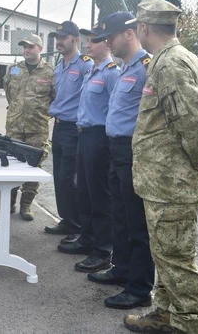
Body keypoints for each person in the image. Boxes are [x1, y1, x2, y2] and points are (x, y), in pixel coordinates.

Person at [124, 0, 198, 334]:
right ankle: (165, 314)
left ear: (143, 28)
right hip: (163, 180)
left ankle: (188, 325)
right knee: (166, 254)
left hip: (170, 181)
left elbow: (194, 117)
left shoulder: (169, 63)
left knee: (176, 258)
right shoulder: (182, 58)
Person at [86, 11, 155, 310]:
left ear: (129, 33)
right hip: (116, 150)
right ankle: (122, 270)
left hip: (132, 151)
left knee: (137, 221)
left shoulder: (146, 68)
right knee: (121, 216)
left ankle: (139, 288)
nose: (108, 42)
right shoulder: (126, 68)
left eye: (111, 36)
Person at [57, 22, 120, 275]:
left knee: (99, 194)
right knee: (83, 190)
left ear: (107, 43)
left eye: (93, 40)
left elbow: (115, 109)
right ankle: (87, 237)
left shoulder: (112, 72)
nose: (87, 44)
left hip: (99, 137)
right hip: (83, 135)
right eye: (87, 40)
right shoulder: (92, 71)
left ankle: (103, 250)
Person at [46, 21, 93, 239]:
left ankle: (77, 225)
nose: (59, 42)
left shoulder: (85, 65)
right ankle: (66, 219)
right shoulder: (59, 66)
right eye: (57, 38)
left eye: (63, 38)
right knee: (59, 177)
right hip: (58, 126)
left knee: (70, 178)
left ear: (76, 40)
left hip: (74, 129)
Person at [3, 33, 54, 219]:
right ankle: (8, 203)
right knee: (11, 166)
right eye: (24, 47)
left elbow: (54, 98)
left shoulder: (50, 72)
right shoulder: (13, 70)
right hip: (15, 127)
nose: (26, 50)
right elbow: (9, 94)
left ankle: (26, 205)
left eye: (30, 47)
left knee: (34, 166)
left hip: (37, 128)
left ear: (40, 49)